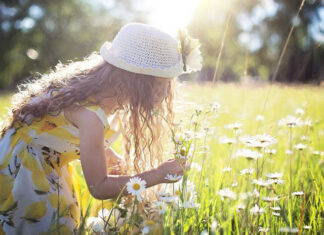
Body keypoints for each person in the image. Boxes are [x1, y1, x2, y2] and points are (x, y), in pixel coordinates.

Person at [0, 22, 202, 234]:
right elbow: (99, 187)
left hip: (28, 157)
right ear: (136, 81)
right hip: (25, 173)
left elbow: (55, 129)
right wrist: (158, 175)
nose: (164, 95)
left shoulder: (91, 87)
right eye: (160, 85)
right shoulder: (91, 117)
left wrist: (105, 151)